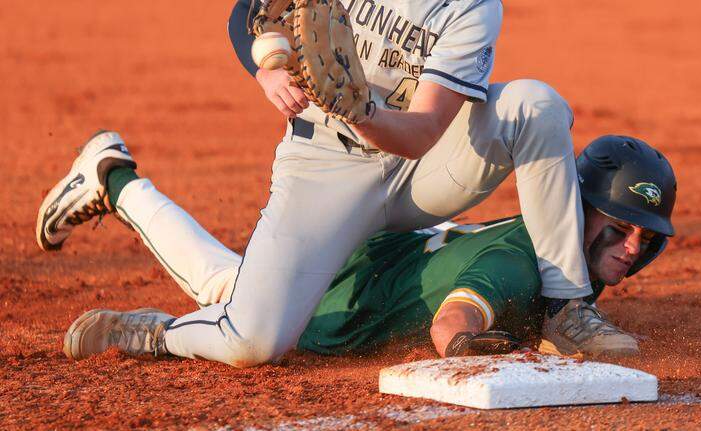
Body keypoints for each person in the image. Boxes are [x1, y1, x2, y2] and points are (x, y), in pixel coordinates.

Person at [37, 0, 630, 367]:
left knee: (536, 106)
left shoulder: (472, 5)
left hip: (418, 166)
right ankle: (155, 331)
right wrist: (267, 69)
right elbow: (251, 11)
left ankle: (565, 305)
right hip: (325, 167)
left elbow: (424, 130)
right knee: (253, 340)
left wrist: (364, 111)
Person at [50, 135, 676, 360]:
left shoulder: (547, 246)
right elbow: (455, 322)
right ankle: (159, 334)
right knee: (235, 310)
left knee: (228, 276)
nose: (628, 248)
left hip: (376, 258)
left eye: (643, 239)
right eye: (616, 229)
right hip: (338, 310)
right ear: (575, 210)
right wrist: (476, 349)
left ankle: (114, 176)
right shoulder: (522, 265)